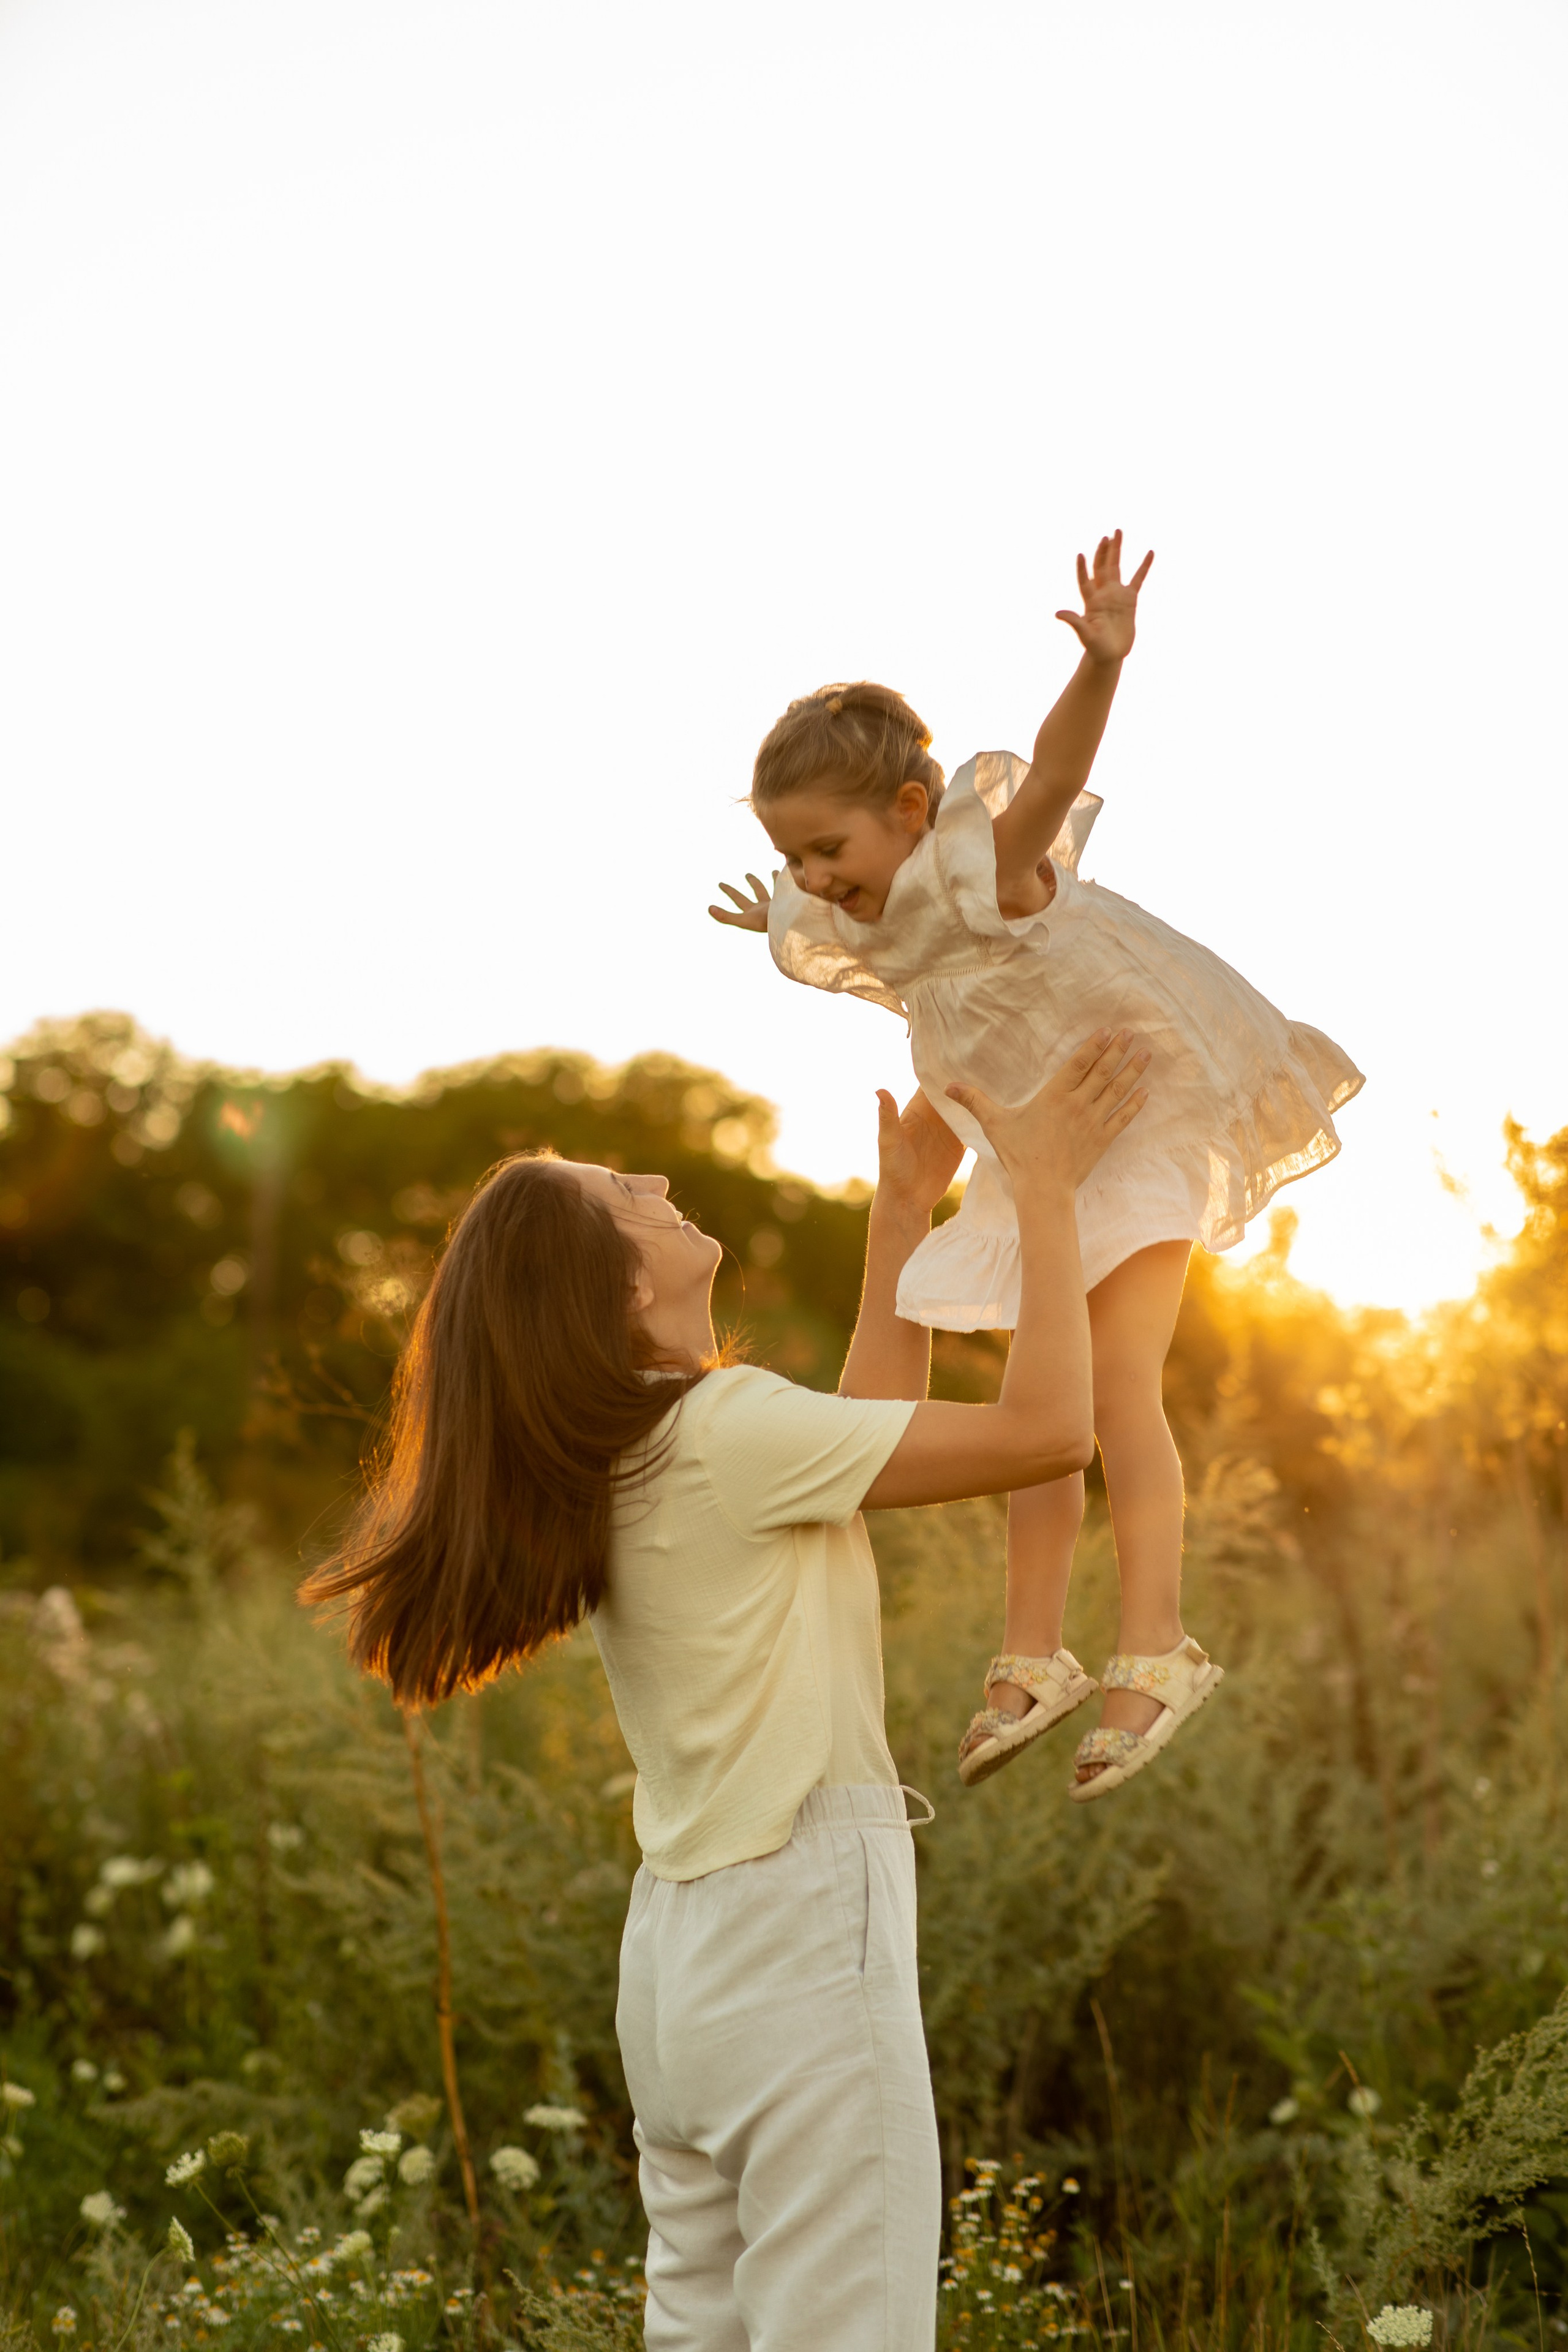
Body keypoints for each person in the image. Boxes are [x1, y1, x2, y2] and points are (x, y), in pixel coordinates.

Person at [303, 1031, 1145, 2352]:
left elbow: (861, 1429)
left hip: (684, 1965)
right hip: (798, 1932)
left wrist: (899, 1221)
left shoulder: (653, 1444)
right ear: (619, 1283)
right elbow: (1046, 1435)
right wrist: (1040, 1187)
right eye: (621, 1196)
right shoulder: (717, 1429)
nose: (650, 1177)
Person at [709, 532, 1364, 1799]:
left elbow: (1055, 774)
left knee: (1116, 1389)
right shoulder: (860, 913)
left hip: (1135, 1118)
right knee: (1037, 1422)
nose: (809, 880)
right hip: (1032, 1158)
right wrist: (778, 913)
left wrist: (1102, 666)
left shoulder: (981, 877)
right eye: (792, 860)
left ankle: (1154, 1640)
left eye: (823, 851)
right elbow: (889, 976)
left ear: (909, 814)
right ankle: (1031, 1650)